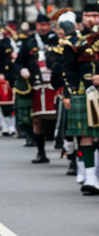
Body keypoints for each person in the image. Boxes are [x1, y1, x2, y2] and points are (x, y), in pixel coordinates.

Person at [65, 2, 99, 195]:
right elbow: (67, 69)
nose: (92, 19)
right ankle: (90, 177)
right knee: (84, 135)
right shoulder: (73, 41)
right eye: (88, 15)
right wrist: (70, 91)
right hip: (83, 91)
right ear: (82, 18)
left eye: (95, 15)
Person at [15, 13, 59, 163]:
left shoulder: (57, 40)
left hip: (56, 84)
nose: (43, 27)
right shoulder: (28, 42)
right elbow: (19, 62)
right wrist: (22, 70)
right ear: (36, 26)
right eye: (40, 25)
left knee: (60, 118)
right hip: (36, 85)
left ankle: (70, 154)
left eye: (46, 24)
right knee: (37, 120)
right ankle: (41, 151)